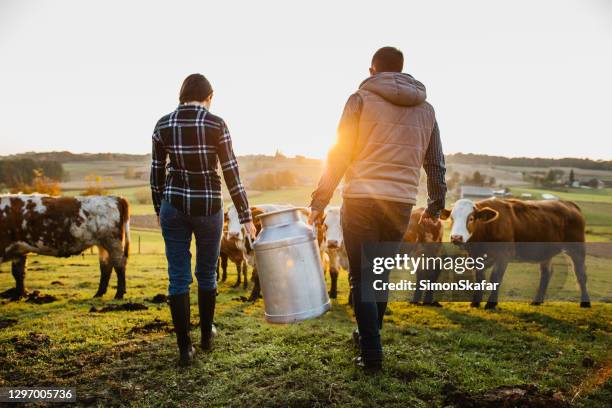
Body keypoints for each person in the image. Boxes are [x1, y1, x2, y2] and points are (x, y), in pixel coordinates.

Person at [309, 47, 447, 372]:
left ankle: (371, 353)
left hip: (360, 200)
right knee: (380, 276)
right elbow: (435, 163)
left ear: (373, 70)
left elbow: (340, 153)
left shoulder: (360, 99)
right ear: (401, 71)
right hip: (400, 204)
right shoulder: (427, 110)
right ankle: (367, 337)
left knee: (361, 277)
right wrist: (436, 205)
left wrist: (320, 201)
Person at [150, 73, 256, 367]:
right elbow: (231, 173)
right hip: (209, 207)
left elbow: (156, 173)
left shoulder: (163, 124)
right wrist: (246, 216)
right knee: (207, 273)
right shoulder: (216, 123)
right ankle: (207, 335)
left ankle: (185, 348)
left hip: (174, 206)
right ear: (210, 96)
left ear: (181, 96)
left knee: (178, 277)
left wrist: (160, 208)